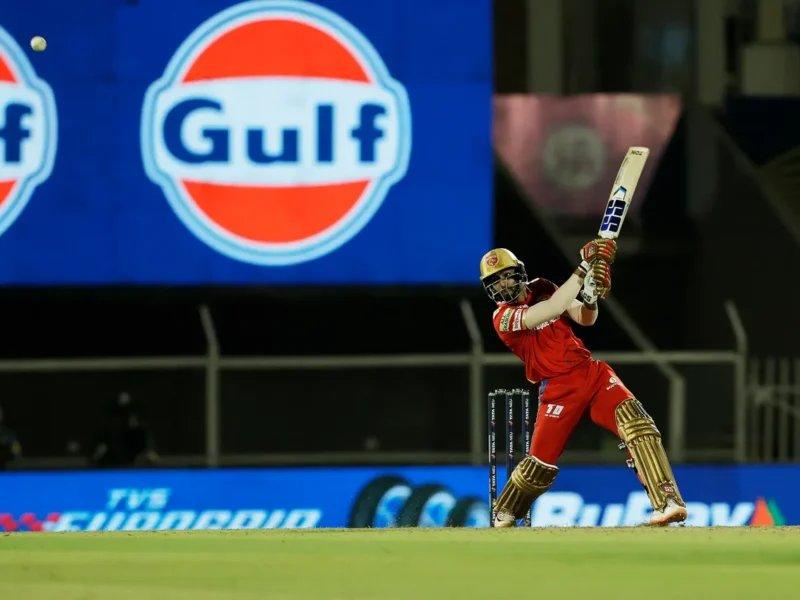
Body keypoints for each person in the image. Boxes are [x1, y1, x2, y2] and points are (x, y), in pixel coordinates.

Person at [480, 240, 687, 527]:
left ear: (519, 273)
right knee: (539, 466)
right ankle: (505, 510)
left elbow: (585, 318)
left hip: (591, 373)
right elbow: (552, 308)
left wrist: (589, 296)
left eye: (506, 275)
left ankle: (667, 501)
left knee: (639, 426)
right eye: (495, 281)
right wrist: (583, 268)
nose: (503, 284)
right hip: (557, 389)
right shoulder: (502, 317)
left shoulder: (543, 286)